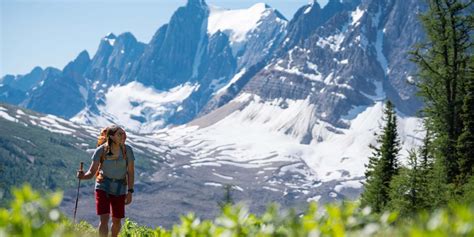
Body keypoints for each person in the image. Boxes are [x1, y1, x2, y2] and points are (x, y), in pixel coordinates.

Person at [77, 125, 135, 237]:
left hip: (120, 187)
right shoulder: (101, 151)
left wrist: (130, 191)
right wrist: (82, 176)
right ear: (111, 137)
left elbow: (131, 172)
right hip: (103, 185)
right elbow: (92, 172)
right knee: (104, 218)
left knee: (117, 221)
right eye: (120, 134)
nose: (124, 136)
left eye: (124, 134)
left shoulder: (128, 150)